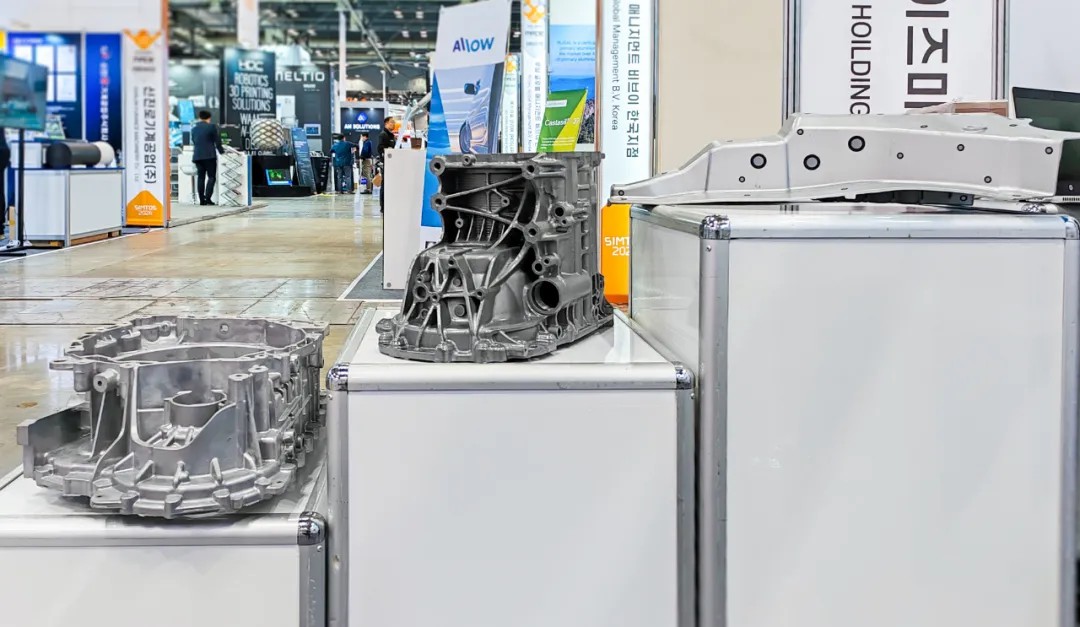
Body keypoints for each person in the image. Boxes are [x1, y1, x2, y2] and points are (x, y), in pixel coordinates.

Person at [190, 110, 224, 205]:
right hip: (209, 156)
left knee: (201, 177)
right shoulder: (212, 127)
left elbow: (194, 141)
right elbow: (217, 141)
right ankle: (208, 198)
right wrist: (221, 151)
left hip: (197, 156)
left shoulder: (194, 129)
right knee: (211, 177)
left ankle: (202, 200)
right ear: (209, 118)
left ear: (200, 118)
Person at [377, 117, 397, 213]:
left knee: (389, 185)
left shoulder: (391, 135)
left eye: (394, 122)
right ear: (386, 123)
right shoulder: (383, 134)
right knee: (385, 185)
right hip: (386, 163)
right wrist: (388, 151)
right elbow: (380, 148)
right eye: (391, 122)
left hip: (392, 163)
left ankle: (388, 205)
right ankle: (383, 207)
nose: (393, 124)